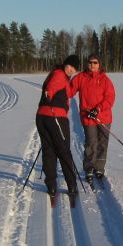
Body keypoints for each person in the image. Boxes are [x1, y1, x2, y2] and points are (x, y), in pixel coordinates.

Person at [36, 54, 81, 206]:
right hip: (55, 117)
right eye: (70, 66)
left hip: (41, 117)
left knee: (49, 151)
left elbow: (67, 92)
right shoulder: (59, 74)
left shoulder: (58, 75)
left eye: (74, 69)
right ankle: (72, 186)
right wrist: (49, 94)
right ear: (65, 64)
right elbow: (51, 88)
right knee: (63, 151)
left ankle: (51, 186)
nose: (71, 70)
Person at [71, 53, 115, 188]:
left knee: (102, 143)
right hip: (88, 117)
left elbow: (110, 98)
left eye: (95, 62)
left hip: (104, 117)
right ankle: (89, 167)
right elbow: (69, 90)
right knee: (91, 143)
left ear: (99, 64)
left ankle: (99, 168)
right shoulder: (81, 78)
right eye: (90, 62)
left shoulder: (105, 80)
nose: (92, 65)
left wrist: (98, 109)